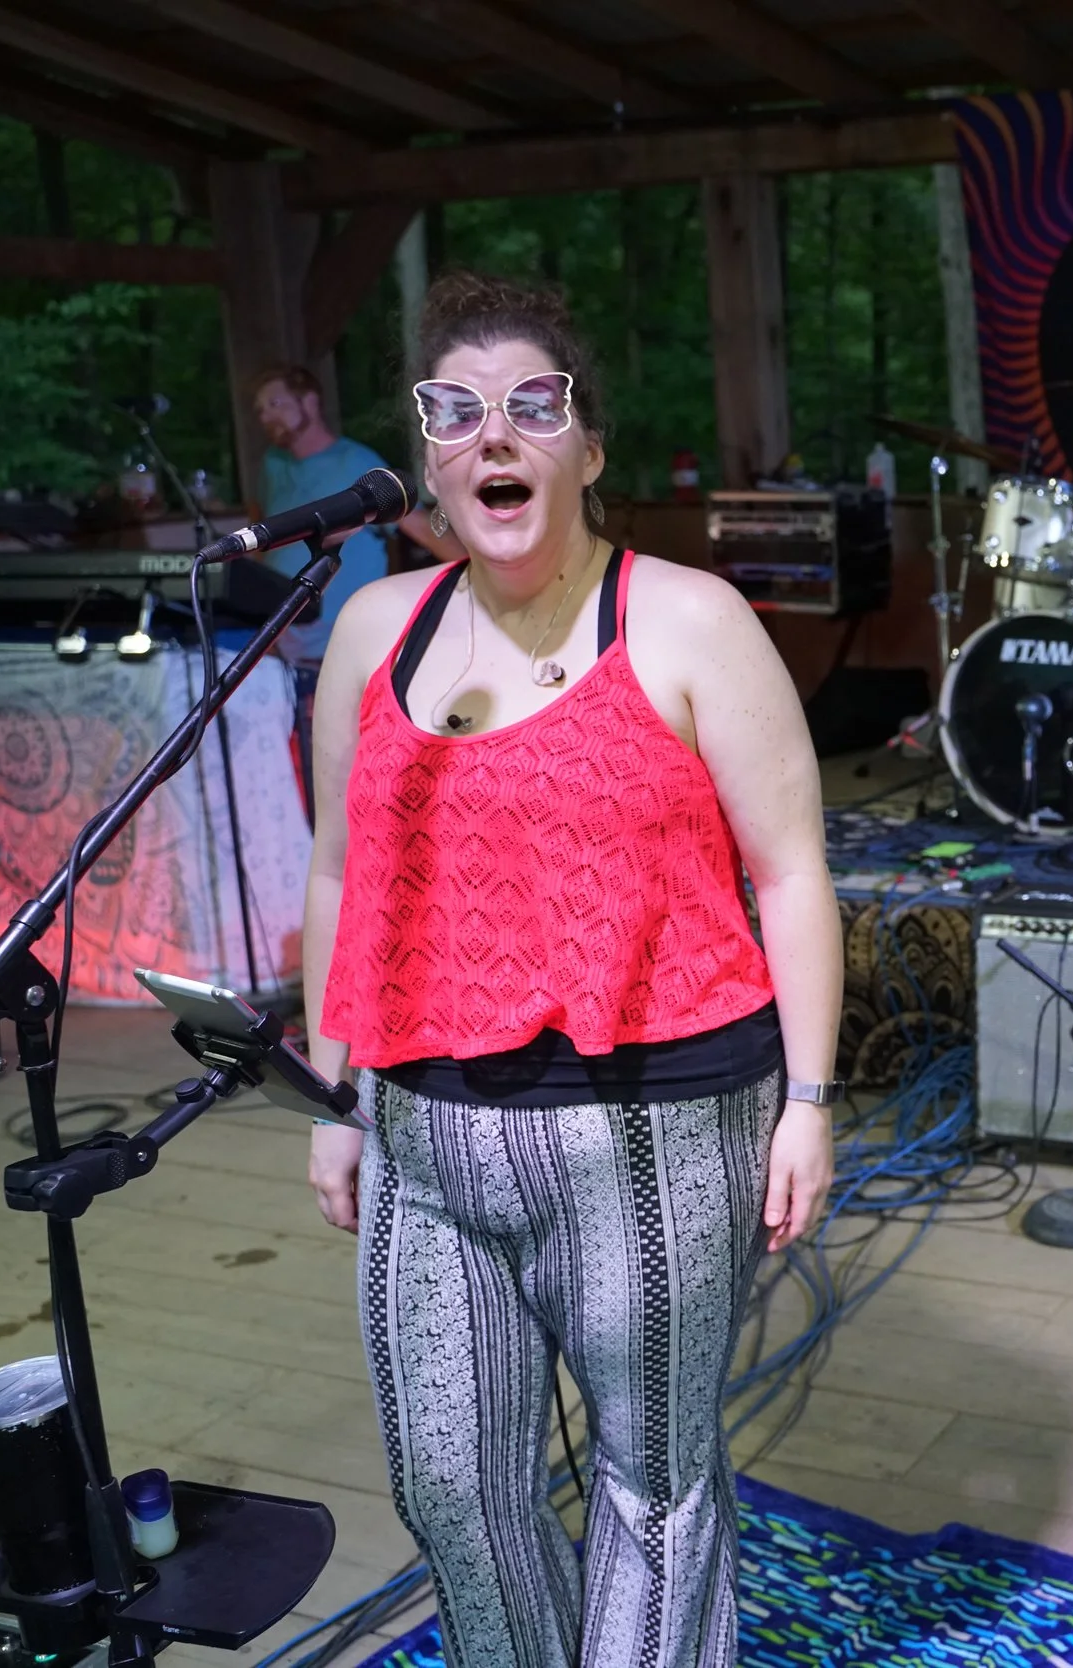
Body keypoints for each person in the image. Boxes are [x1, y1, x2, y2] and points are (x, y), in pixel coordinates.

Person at [299, 272, 843, 1668]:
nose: (495, 433)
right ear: (428, 462)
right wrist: (331, 1092)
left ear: (587, 449)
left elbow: (791, 873)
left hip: (656, 1132)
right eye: (457, 410)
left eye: (533, 406)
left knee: (652, 1485)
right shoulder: (372, 630)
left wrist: (810, 1101)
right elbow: (341, 875)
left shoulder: (690, 619)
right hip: (422, 1126)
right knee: (452, 1492)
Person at [250, 365, 461, 812]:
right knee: (294, 785)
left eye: (276, 403)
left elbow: (422, 529)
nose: (266, 416)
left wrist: (481, 571)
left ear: (310, 402)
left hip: (343, 650)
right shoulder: (272, 466)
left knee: (352, 785)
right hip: (284, 650)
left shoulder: (358, 464)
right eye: (260, 409)